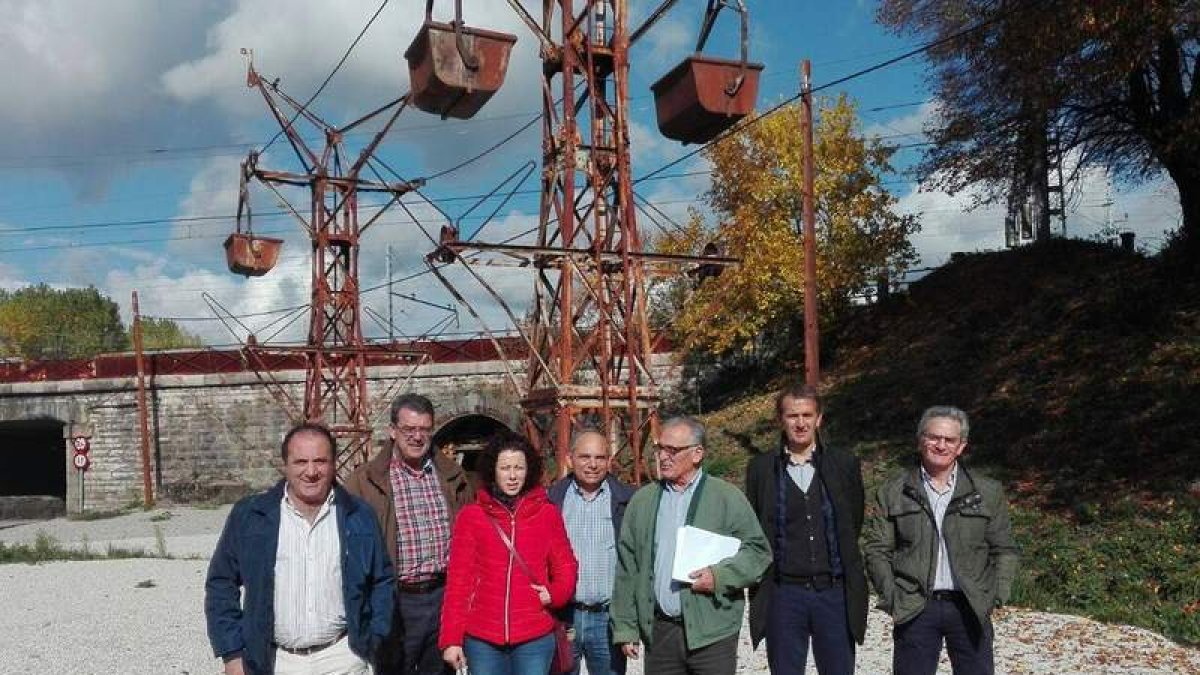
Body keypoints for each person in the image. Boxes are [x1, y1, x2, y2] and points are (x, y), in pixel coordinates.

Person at [205, 423, 394, 675]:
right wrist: (232, 653)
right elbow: (221, 583)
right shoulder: (251, 516)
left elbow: (382, 580)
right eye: (300, 462)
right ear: (285, 465)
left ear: (333, 464)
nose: (311, 471)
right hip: (277, 662)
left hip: (343, 657)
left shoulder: (358, 515)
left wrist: (375, 638)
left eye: (320, 461)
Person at [863, 406, 1019, 675]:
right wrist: (892, 597)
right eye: (933, 437)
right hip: (915, 606)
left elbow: (1005, 549)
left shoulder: (986, 492)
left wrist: (996, 594)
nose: (940, 445)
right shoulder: (893, 491)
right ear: (920, 440)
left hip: (970, 606)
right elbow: (877, 550)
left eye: (949, 440)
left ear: (961, 446)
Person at [610, 416, 771, 675]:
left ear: (697, 454)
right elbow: (628, 569)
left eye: (672, 450)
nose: (663, 456)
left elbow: (758, 553)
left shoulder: (726, 497)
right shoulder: (642, 501)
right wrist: (626, 627)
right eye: (660, 448)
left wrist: (719, 577)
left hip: (713, 633)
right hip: (660, 633)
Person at [344, 393, 475, 675]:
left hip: (444, 598)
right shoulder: (364, 481)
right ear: (393, 431)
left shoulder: (453, 477)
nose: (417, 437)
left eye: (424, 430)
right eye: (409, 429)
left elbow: (473, 536)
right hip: (394, 601)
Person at [744, 384, 867, 674]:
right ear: (780, 420)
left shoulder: (843, 464)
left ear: (819, 419)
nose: (800, 423)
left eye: (807, 415)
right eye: (792, 415)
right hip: (783, 593)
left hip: (833, 593)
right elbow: (755, 525)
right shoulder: (761, 469)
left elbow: (853, 519)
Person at [439, 432, 579, 674]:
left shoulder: (547, 514)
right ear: (493, 470)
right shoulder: (472, 517)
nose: (512, 476)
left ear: (529, 471)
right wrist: (451, 639)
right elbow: (458, 583)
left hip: (534, 637)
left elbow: (567, 566)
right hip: (483, 639)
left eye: (519, 468)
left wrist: (554, 594)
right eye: (505, 468)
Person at [547, 429, 635, 675]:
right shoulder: (551, 501)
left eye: (600, 457)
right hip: (564, 617)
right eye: (585, 456)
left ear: (609, 461)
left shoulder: (628, 501)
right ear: (569, 459)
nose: (593, 464)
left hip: (607, 618)